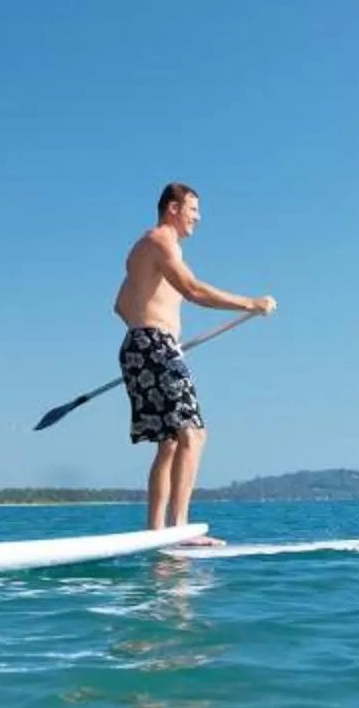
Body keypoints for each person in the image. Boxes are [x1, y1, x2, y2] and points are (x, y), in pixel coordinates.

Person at [112, 182, 273, 538]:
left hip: (141, 346)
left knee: (170, 441)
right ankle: (180, 528)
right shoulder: (160, 242)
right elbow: (193, 290)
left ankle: (156, 532)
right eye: (193, 209)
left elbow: (121, 304)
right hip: (153, 346)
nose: (198, 218)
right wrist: (251, 303)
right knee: (194, 434)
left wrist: (150, 332)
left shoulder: (143, 249)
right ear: (173, 208)